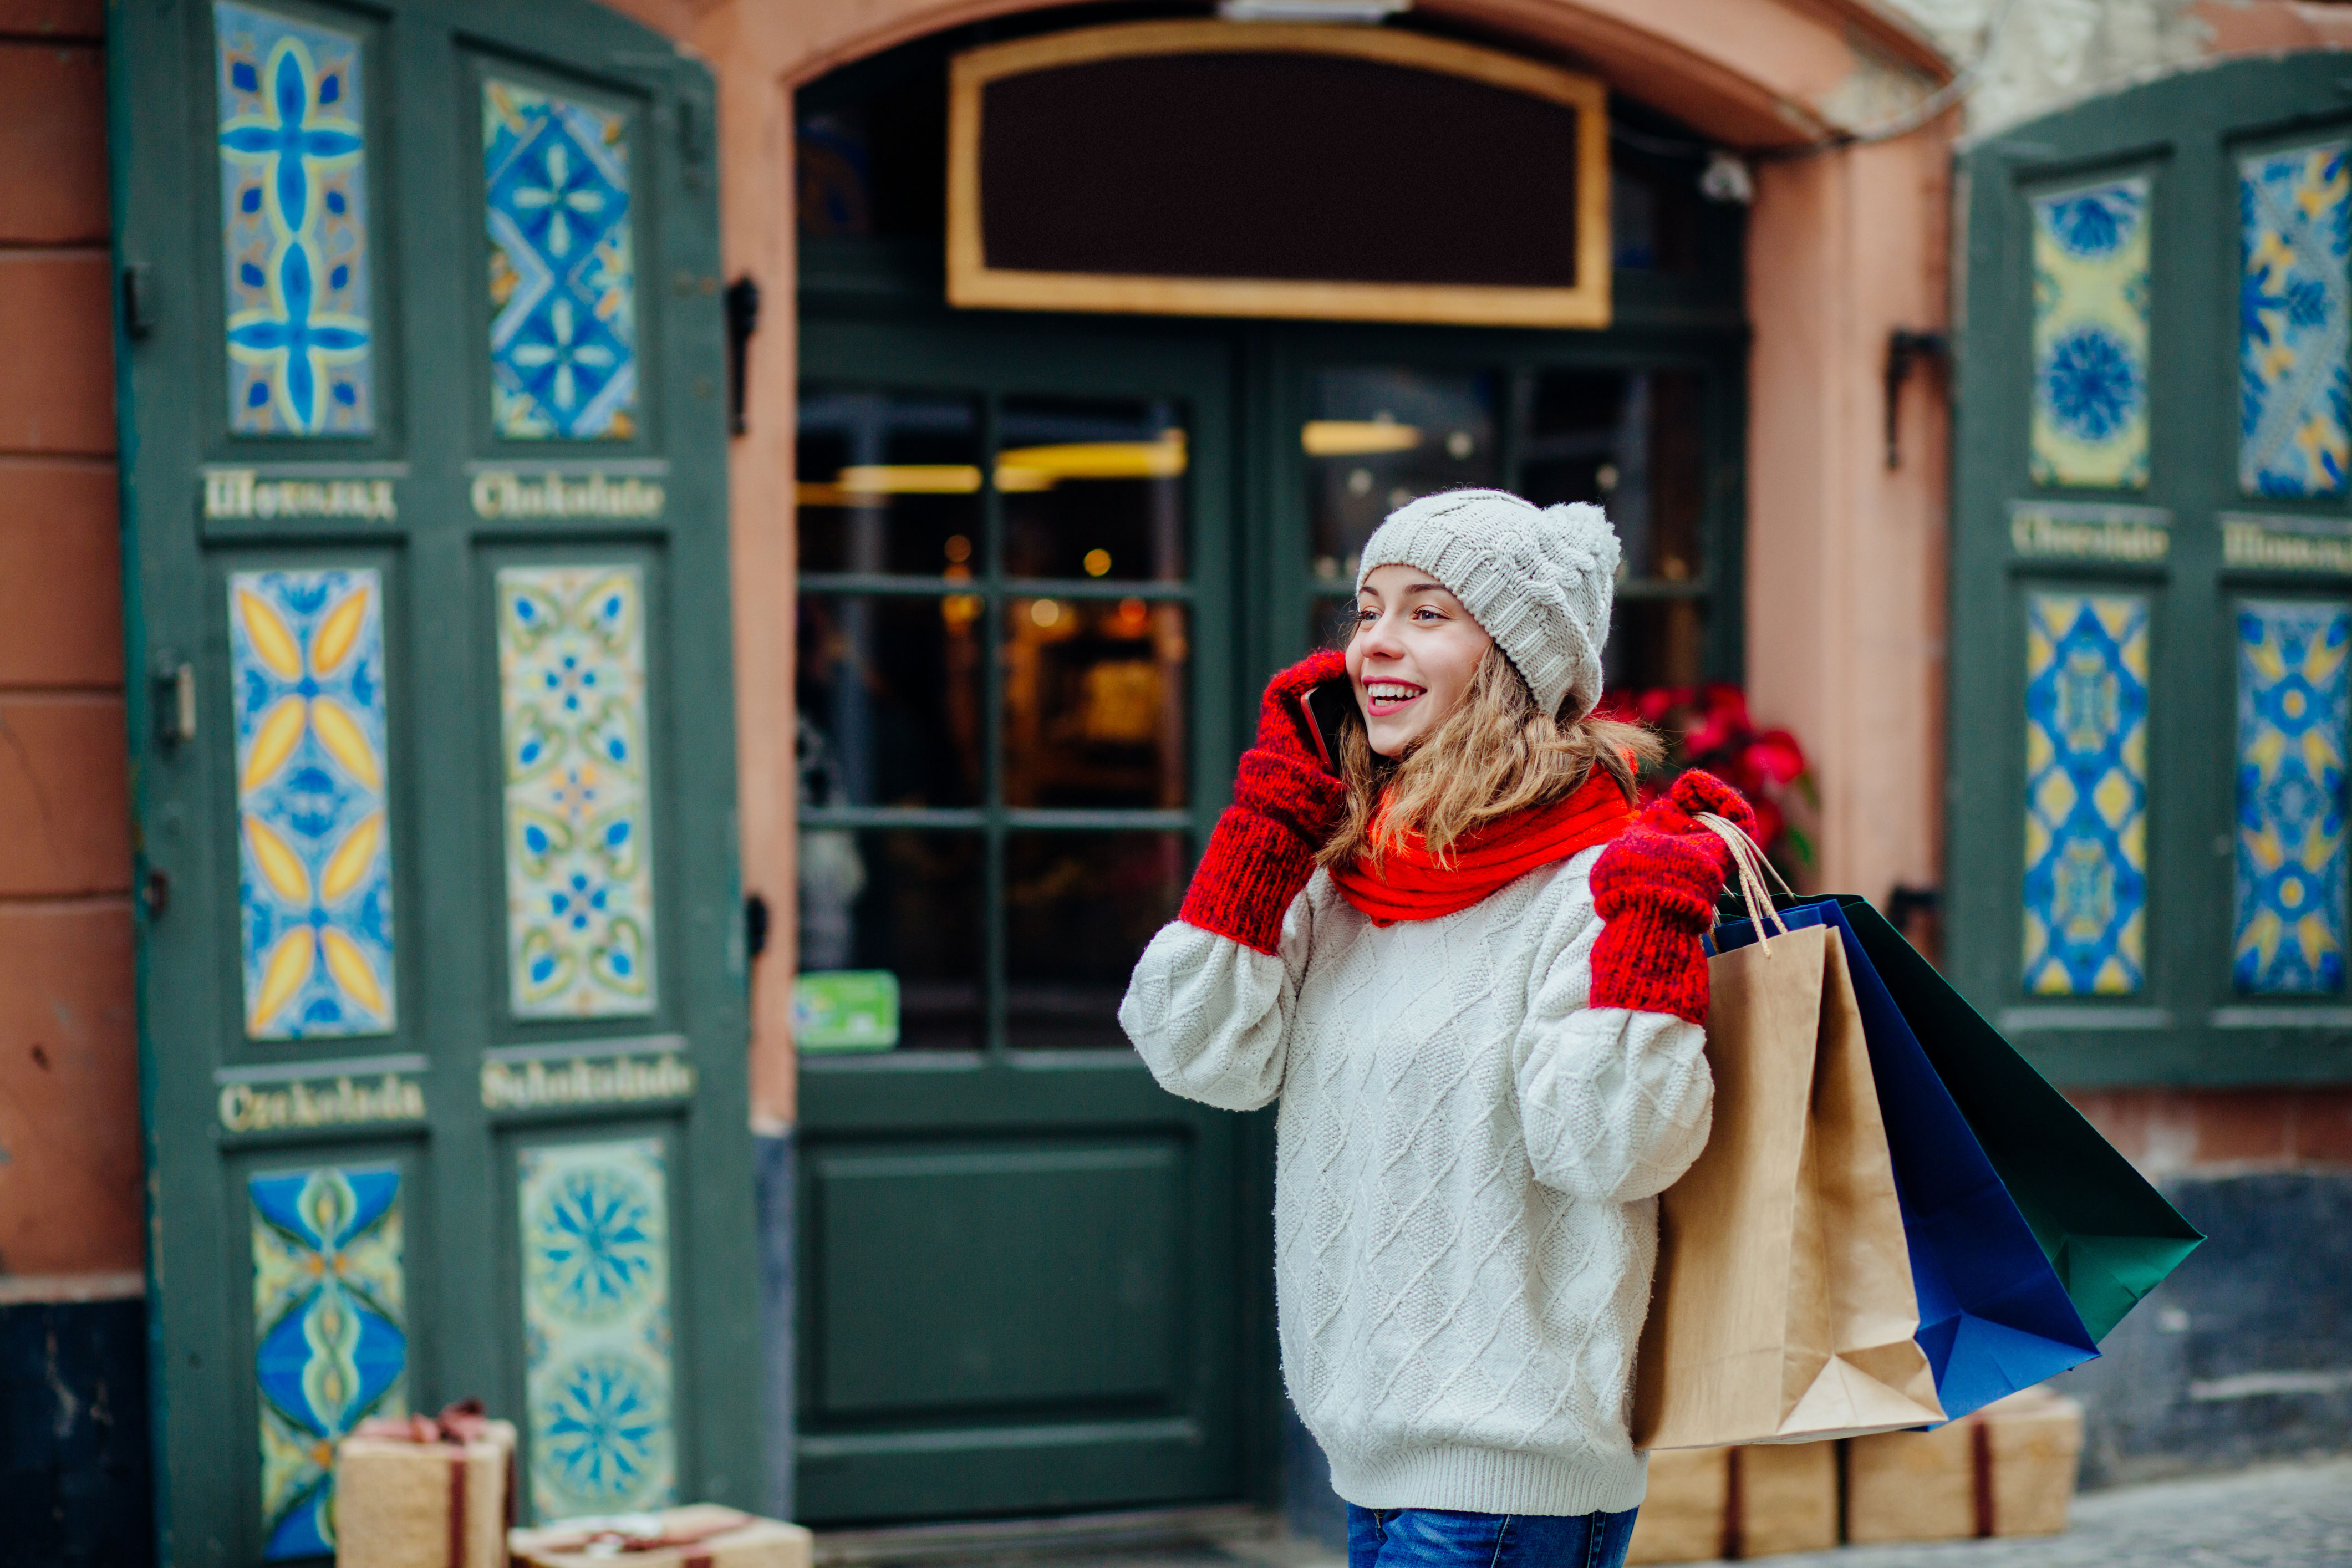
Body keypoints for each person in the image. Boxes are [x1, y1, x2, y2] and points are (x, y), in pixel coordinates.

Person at [1118, 489, 1756, 1568]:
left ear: (1511, 660)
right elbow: (1195, 1051)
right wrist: (1265, 827)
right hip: (1368, 1464)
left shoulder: (1598, 885)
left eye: (1426, 612)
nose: (1375, 641)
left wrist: (1649, 935)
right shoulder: (1341, 875)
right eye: (1367, 609)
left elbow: (1614, 1149)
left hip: (1511, 1478)